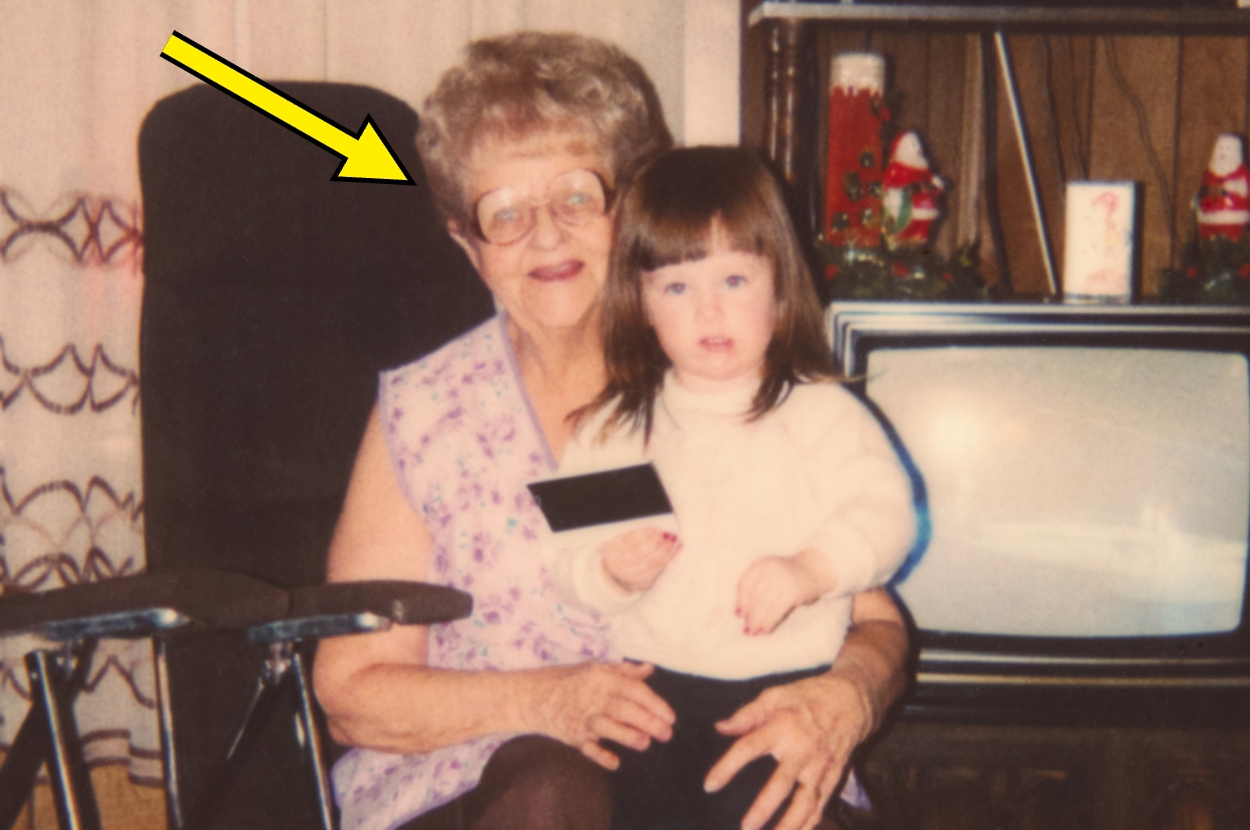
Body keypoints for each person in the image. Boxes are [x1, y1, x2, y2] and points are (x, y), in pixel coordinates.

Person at [313, 31, 912, 830]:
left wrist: (849, 693)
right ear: (467, 242)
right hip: (490, 778)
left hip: (724, 753)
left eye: (575, 197)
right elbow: (351, 692)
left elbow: (875, 615)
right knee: (553, 795)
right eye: (506, 213)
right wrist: (546, 699)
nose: (547, 236)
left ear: (630, 210)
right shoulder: (426, 412)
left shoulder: (727, 384)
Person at [538, 146, 916, 830]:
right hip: (652, 689)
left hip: (779, 692)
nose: (708, 309)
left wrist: (811, 569)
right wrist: (608, 573)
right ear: (642, 302)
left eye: (735, 281)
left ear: (780, 286)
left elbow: (888, 515)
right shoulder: (620, 426)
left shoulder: (817, 412)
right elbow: (565, 566)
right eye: (677, 288)